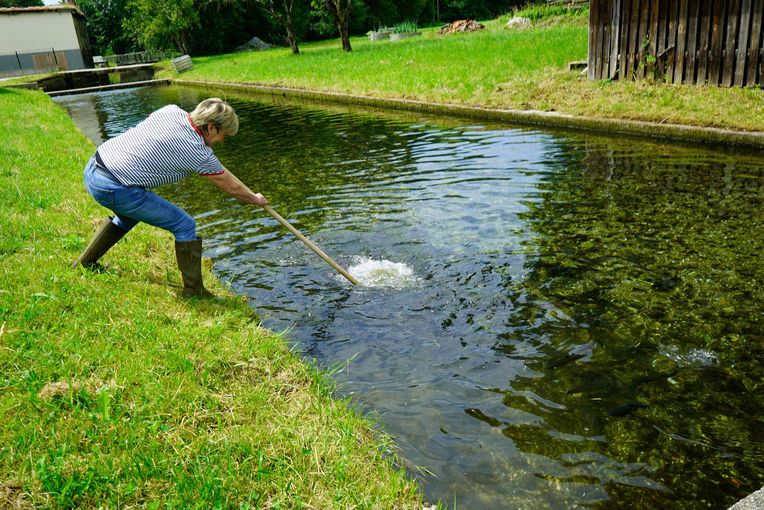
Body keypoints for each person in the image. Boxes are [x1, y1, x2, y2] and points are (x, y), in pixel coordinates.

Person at [71, 97, 268, 298]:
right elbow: (233, 188)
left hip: (94, 169)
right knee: (184, 225)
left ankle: (84, 264)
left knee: (128, 216)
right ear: (210, 128)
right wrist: (256, 199)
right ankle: (194, 292)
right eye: (223, 135)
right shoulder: (198, 152)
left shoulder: (171, 111)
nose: (223, 141)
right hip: (114, 186)